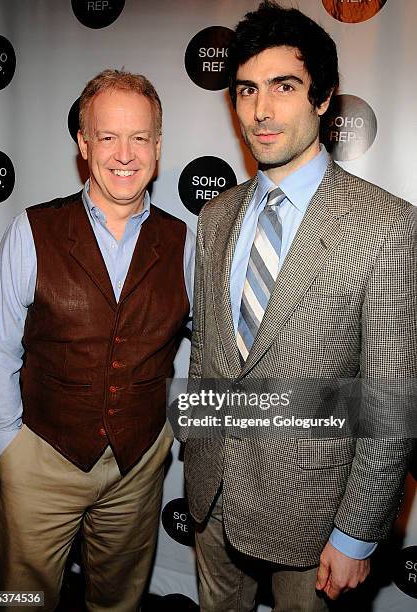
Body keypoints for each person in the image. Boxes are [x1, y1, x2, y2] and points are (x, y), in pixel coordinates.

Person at [182, 2, 416, 611]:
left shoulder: (385, 224)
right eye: (246, 91)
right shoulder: (214, 216)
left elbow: (389, 399)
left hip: (313, 514)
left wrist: (357, 531)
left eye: (284, 87)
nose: (261, 111)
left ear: (323, 99)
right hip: (211, 498)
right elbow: (212, 355)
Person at [0, 69, 194, 611]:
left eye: (140, 137)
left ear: (158, 145)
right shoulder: (32, 230)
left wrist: (167, 434)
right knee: (17, 600)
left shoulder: (183, 243)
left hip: (138, 467)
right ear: (83, 143)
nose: (125, 154)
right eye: (107, 136)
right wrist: (9, 448)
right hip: (41, 458)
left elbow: (220, 346)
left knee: (119, 601)